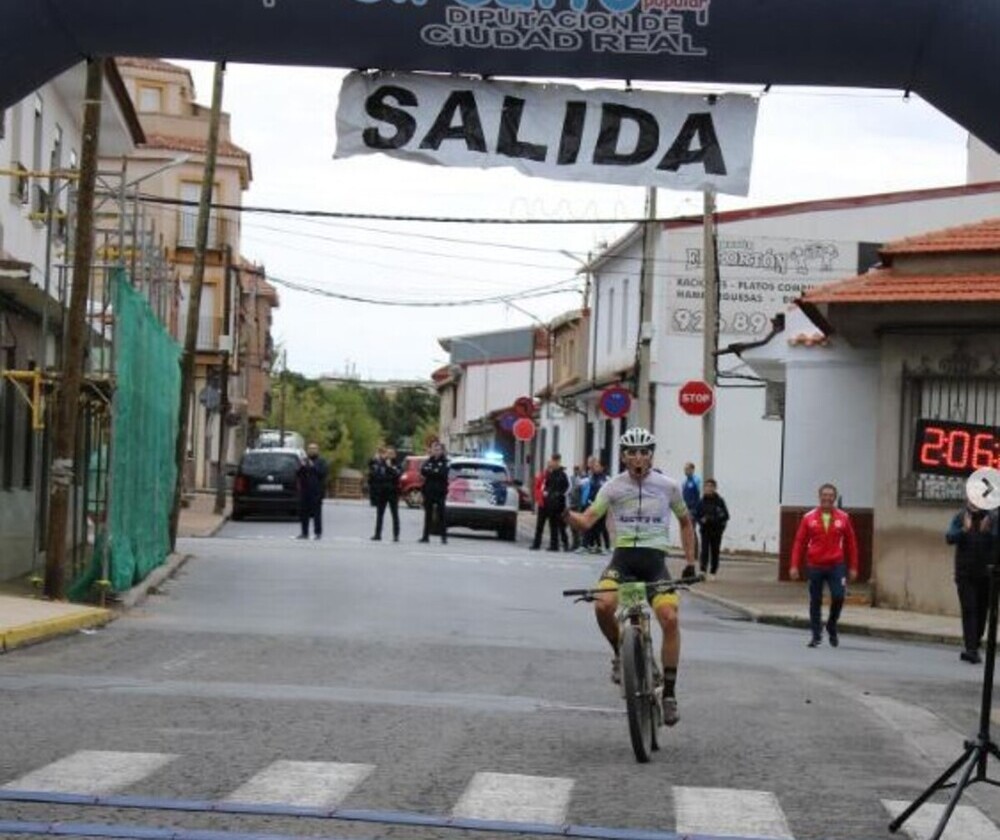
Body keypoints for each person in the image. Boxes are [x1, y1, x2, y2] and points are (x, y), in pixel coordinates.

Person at [564, 428, 697, 727]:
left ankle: (670, 695)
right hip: (623, 561)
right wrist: (565, 514)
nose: (638, 457)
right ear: (623, 456)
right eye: (632, 453)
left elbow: (686, 522)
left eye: (644, 452)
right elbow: (587, 521)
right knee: (601, 605)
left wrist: (690, 562)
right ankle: (618, 655)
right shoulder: (612, 488)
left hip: (654, 563)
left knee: (670, 618)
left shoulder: (668, 487)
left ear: (651, 455)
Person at [789, 483, 860, 648]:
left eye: (830, 495)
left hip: (836, 565)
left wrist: (853, 567)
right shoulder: (809, 518)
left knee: (839, 596)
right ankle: (816, 635)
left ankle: (831, 624)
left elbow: (852, 544)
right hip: (815, 565)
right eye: (824, 495)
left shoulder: (843, 518)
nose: (827, 498)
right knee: (815, 600)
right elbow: (799, 543)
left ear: (834, 498)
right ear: (819, 497)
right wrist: (794, 566)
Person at [945, 500, 998, 664]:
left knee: (982, 611)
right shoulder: (961, 517)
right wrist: (964, 529)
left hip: (986, 575)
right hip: (965, 573)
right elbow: (949, 537)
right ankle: (971, 649)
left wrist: (988, 531)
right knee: (969, 609)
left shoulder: (992, 518)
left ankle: (975, 642)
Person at [531, 453, 569, 551]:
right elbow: (543, 486)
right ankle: (537, 544)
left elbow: (567, 488)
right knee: (540, 525)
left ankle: (557, 545)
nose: (551, 464)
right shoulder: (547, 474)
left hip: (557, 504)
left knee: (555, 525)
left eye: (552, 462)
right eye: (550, 462)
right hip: (545, 502)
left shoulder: (562, 474)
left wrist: (558, 495)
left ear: (558, 462)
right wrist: (543, 493)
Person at [695, 479, 730, 578]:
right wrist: (701, 520)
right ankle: (702, 570)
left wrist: (714, 519)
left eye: (711, 486)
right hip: (705, 530)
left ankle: (713, 571)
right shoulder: (701, 502)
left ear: (715, 488)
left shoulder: (720, 501)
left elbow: (726, 516)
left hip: (716, 531)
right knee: (704, 550)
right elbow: (697, 515)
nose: (709, 488)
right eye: (707, 486)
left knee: (715, 551)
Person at [419, 440, 449, 544]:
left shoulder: (445, 461)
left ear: (441, 451)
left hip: (440, 492)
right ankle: (425, 536)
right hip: (429, 491)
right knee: (428, 515)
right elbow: (423, 471)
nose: (436, 451)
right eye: (434, 449)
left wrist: (431, 472)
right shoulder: (429, 461)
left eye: (438, 449)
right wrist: (433, 471)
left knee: (441, 515)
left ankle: (443, 537)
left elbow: (442, 473)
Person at [368, 446, 401, 542]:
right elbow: (375, 473)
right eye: (388, 453)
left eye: (391, 453)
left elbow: (397, 475)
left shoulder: (397, 464)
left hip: (393, 492)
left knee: (395, 514)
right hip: (382, 492)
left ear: (394, 455)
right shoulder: (381, 463)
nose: (389, 455)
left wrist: (390, 467)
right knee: (379, 514)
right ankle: (377, 534)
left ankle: (396, 535)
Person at [296, 442, 328, 540]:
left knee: (317, 514)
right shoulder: (304, 461)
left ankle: (318, 533)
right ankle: (304, 533)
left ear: (317, 450)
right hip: (305, 491)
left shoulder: (321, 461)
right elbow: (298, 474)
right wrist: (301, 467)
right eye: (310, 449)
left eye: (314, 449)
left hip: (316, 491)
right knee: (304, 513)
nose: (312, 450)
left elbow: (323, 473)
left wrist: (313, 466)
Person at [582, 459, 610, 554]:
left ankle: (605, 546)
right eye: (595, 466)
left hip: (601, 505)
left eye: (597, 466)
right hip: (592, 504)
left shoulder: (605, 479)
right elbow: (590, 491)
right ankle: (587, 545)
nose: (595, 467)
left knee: (601, 527)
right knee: (590, 525)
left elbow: (605, 493)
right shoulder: (592, 477)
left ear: (602, 468)